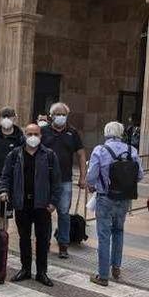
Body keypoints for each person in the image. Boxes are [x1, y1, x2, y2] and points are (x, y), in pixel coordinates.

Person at [0, 123, 61, 286]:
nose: (32, 137)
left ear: (41, 136)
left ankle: (42, 272)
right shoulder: (15, 155)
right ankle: (25, 269)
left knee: (42, 239)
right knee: (24, 238)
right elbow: (5, 176)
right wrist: (4, 191)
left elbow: (56, 181)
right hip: (21, 203)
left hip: (42, 205)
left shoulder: (49, 155)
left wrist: (54, 202)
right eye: (29, 134)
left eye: (36, 134)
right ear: (24, 135)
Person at [86, 121, 143, 287]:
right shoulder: (132, 150)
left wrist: (93, 184)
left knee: (104, 236)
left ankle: (102, 275)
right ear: (121, 133)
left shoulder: (100, 150)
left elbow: (91, 177)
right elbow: (139, 175)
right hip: (124, 198)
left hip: (105, 197)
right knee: (119, 231)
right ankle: (116, 268)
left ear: (106, 133)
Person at [41, 102, 87, 259]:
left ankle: (63, 245)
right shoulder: (43, 131)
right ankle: (44, 242)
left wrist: (82, 176)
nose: (61, 117)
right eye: (58, 114)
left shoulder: (72, 133)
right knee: (45, 212)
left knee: (64, 213)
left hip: (65, 180)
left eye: (63, 114)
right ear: (51, 116)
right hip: (45, 179)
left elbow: (81, 154)